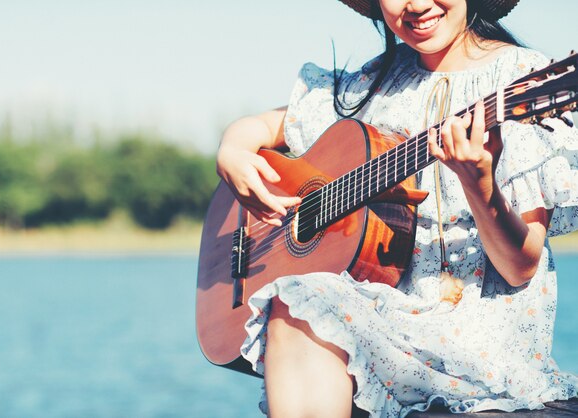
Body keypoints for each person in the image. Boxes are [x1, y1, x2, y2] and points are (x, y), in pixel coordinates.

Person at [216, 0, 578, 416]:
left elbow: (521, 266)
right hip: (382, 327)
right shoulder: (372, 85)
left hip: (484, 346)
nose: (418, 4)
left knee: (303, 301)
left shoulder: (515, 78)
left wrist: (479, 187)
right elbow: (266, 125)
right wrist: (233, 146)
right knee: (298, 301)